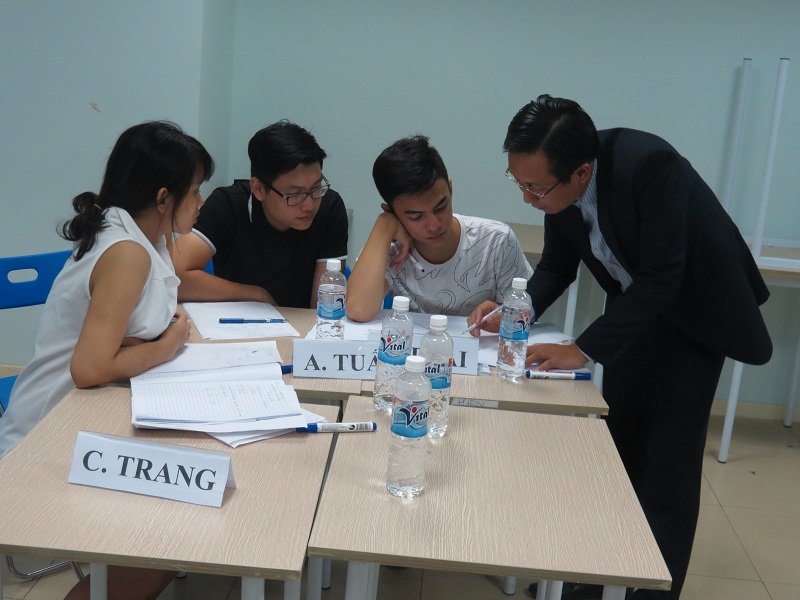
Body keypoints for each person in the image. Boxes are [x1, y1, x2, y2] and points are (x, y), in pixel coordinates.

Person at [469, 95, 772, 600]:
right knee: (618, 452)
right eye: (517, 182)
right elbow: (557, 266)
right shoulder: (557, 189)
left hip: (695, 317)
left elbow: (663, 276)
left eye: (535, 187)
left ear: (582, 172)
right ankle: (592, 582)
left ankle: (651, 592)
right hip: (636, 312)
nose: (527, 198)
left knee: (667, 464)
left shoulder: (649, 165)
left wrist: (582, 349)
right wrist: (516, 312)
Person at [0, 121, 214, 600]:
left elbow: (125, 331)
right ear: (164, 197)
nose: (201, 201)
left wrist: (150, 340)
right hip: (47, 433)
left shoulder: (146, 235)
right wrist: (168, 344)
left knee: (185, 504)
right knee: (170, 536)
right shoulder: (127, 252)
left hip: (91, 412)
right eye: (196, 190)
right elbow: (90, 369)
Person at [346, 135, 532, 322]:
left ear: (450, 189)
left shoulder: (496, 241)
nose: (434, 225)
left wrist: (502, 318)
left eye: (441, 207)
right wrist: (384, 223)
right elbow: (358, 310)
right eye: (416, 217)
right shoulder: (389, 249)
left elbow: (526, 313)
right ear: (392, 212)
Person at [173, 120, 348, 308]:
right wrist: (256, 295)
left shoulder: (329, 206)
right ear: (258, 188)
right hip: (240, 319)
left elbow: (324, 308)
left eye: (316, 187)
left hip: (302, 322)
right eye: (295, 194)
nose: (309, 205)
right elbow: (173, 278)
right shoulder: (228, 204)